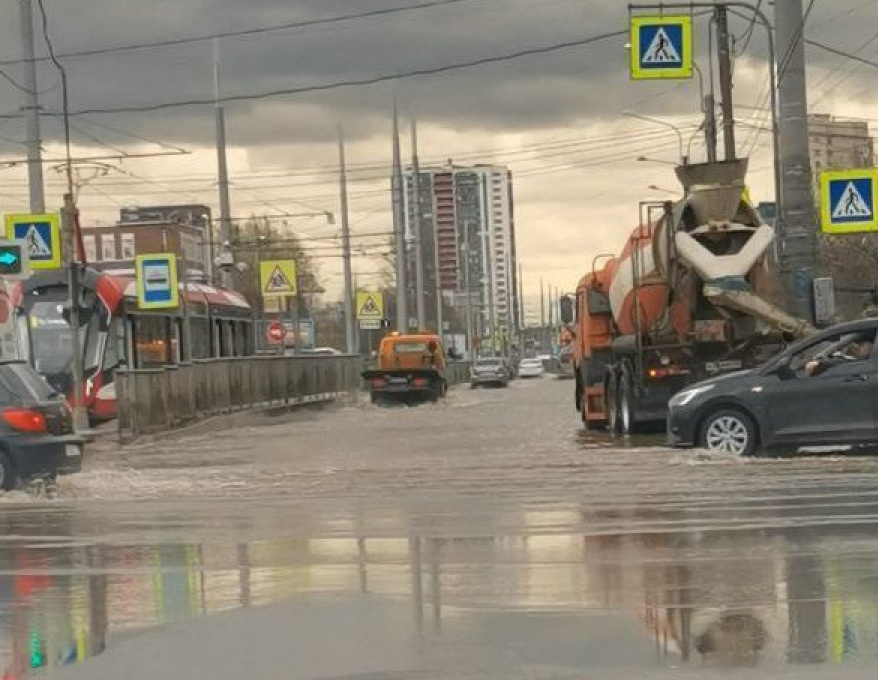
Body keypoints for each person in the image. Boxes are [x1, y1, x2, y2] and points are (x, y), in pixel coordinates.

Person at [804, 336, 873, 377]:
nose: (855, 346)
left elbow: (829, 363)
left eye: (862, 346)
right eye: (859, 344)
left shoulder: (852, 362)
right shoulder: (845, 357)